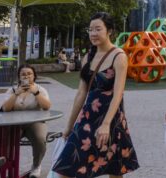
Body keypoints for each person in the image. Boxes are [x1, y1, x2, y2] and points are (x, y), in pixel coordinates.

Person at [53, 13, 138, 178]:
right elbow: (81, 93)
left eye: (98, 29)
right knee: (66, 167)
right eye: (90, 30)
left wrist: (106, 124)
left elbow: (118, 94)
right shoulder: (88, 57)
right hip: (87, 118)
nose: (93, 33)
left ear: (109, 31)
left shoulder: (119, 56)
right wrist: (69, 126)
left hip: (111, 118)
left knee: (115, 168)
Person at [1, 64, 51, 178]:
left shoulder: (40, 89)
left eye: (29, 74)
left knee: (40, 139)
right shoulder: (13, 90)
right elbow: (5, 109)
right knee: (5, 139)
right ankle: (7, 165)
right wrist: (16, 94)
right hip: (14, 123)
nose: (26, 76)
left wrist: (36, 93)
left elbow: (47, 106)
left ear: (34, 76)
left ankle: (36, 166)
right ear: (19, 77)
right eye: (23, 74)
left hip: (35, 122)